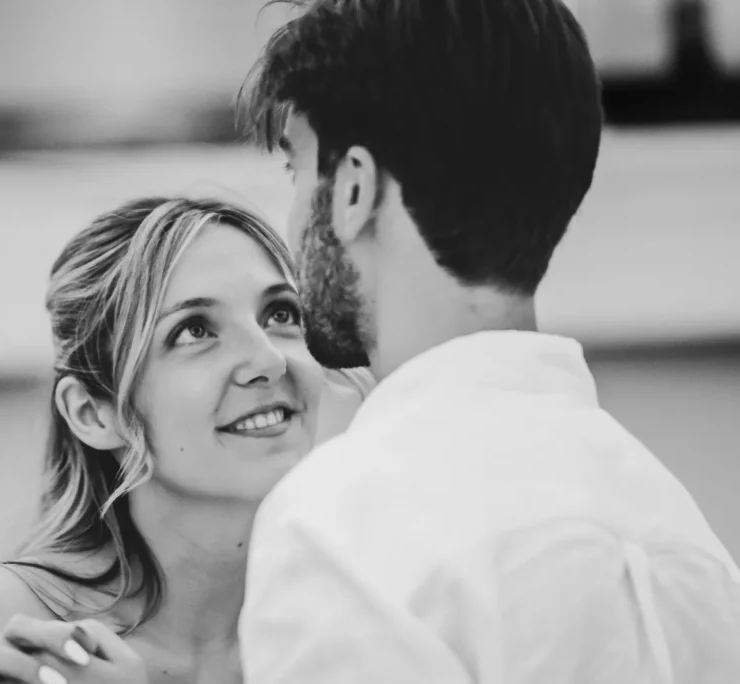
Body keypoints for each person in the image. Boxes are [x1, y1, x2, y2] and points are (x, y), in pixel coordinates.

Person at [235, 0, 740, 682]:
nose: (290, 214)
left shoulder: (338, 528)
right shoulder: (687, 540)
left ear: (353, 186)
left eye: (297, 170)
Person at [0, 197, 374, 684]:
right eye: (195, 330)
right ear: (92, 413)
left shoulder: (358, 623)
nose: (270, 361)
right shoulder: (3, 631)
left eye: (280, 314)